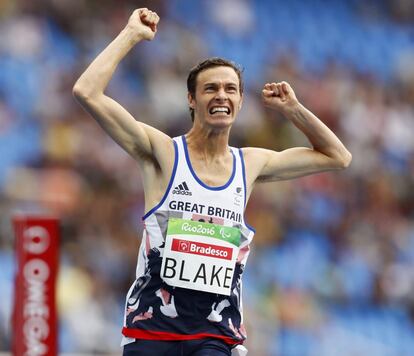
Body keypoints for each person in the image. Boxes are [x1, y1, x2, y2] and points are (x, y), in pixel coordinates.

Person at [73, 8, 352, 356]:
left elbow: (337, 156)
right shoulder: (163, 153)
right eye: (211, 88)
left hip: (215, 334)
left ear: (239, 101)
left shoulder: (250, 163)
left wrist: (294, 109)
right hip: (152, 330)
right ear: (192, 99)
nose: (222, 95)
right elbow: (87, 91)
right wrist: (132, 35)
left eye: (230, 89)